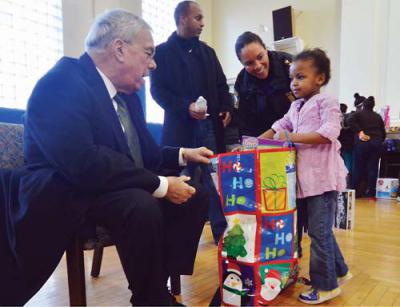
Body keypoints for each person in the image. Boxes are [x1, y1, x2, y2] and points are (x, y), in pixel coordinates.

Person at [0, 9, 213, 306]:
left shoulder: (126, 96)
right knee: (140, 205)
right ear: (119, 49)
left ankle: (156, 285)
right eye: (149, 53)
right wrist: (161, 184)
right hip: (67, 191)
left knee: (195, 195)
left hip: (107, 185)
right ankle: (151, 298)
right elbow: (83, 162)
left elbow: (143, 153)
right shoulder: (61, 83)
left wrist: (181, 154)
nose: (152, 64)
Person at [259, 48, 351, 304]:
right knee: (318, 230)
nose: (294, 83)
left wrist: (291, 138)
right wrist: (255, 142)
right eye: (292, 78)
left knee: (319, 234)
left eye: (301, 77)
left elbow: (329, 133)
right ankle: (340, 271)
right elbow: (279, 126)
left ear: (319, 79)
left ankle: (326, 286)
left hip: (322, 180)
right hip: (305, 182)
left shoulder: (327, 102)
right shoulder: (296, 106)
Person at [150, 0, 232, 243]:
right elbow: (158, 92)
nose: (203, 23)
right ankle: (174, 239)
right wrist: (185, 107)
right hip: (179, 131)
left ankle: (223, 237)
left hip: (209, 128)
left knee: (215, 182)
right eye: (198, 17)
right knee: (178, 181)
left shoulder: (208, 52)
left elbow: (221, 85)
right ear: (182, 18)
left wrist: (227, 107)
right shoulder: (162, 53)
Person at [234, 31, 294, 138]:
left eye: (260, 57)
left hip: (297, 133)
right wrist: (247, 147)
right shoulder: (241, 83)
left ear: (265, 49)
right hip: (264, 141)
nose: (257, 66)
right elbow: (245, 125)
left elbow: (309, 105)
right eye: (249, 63)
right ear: (241, 63)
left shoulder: (289, 65)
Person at [348, 96, 386, 198]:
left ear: (363, 105)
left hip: (362, 143)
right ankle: (371, 193)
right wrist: (378, 140)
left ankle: (355, 192)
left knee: (358, 168)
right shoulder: (378, 116)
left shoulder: (357, 114)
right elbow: (383, 132)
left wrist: (359, 131)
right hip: (376, 143)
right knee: (373, 168)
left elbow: (349, 120)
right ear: (373, 106)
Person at [338, 103, 355, 186]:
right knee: (349, 164)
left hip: (341, 144)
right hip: (350, 144)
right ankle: (348, 183)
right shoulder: (350, 118)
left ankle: (343, 184)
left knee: (341, 164)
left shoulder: (337, 119)